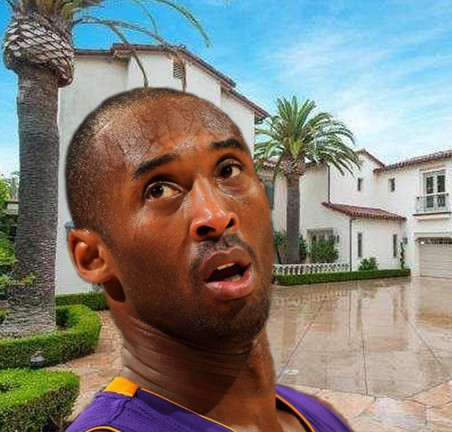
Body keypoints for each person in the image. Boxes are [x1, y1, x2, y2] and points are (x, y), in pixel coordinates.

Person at [65, 88, 351, 432]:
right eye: (158, 190)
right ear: (93, 258)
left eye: (228, 171)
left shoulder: (316, 415)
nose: (216, 215)